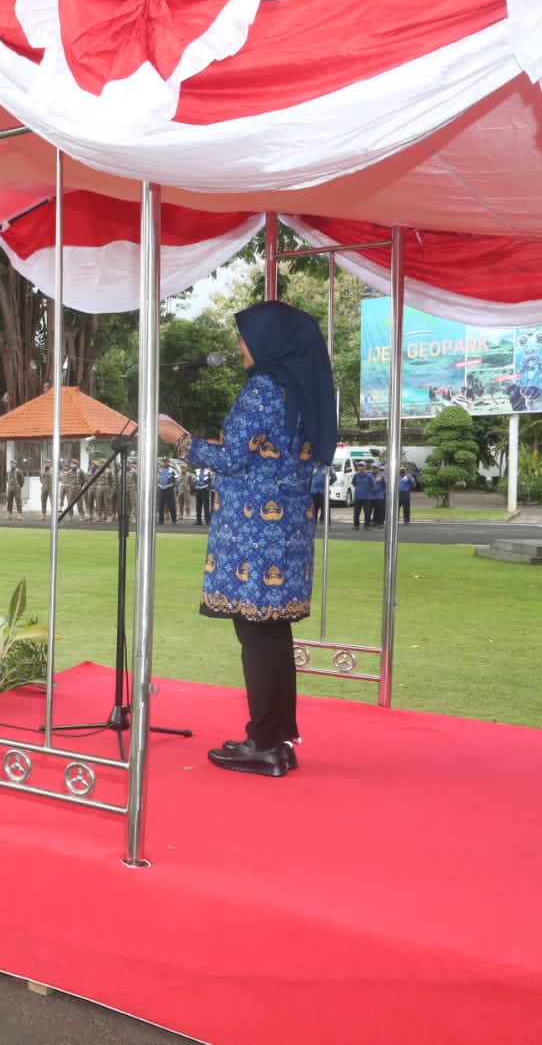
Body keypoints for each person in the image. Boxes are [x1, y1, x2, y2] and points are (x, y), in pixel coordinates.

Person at [163, 300, 334, 778]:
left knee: (256, 636)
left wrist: (177, 438)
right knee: (271, 634)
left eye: (245, 337)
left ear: (271, 342)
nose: (239, 345)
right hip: (287, 529)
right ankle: (277, 739)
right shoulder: (302, 389)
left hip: (253, 533)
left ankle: (263, 742)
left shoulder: (264, 388)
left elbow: (233, 459)